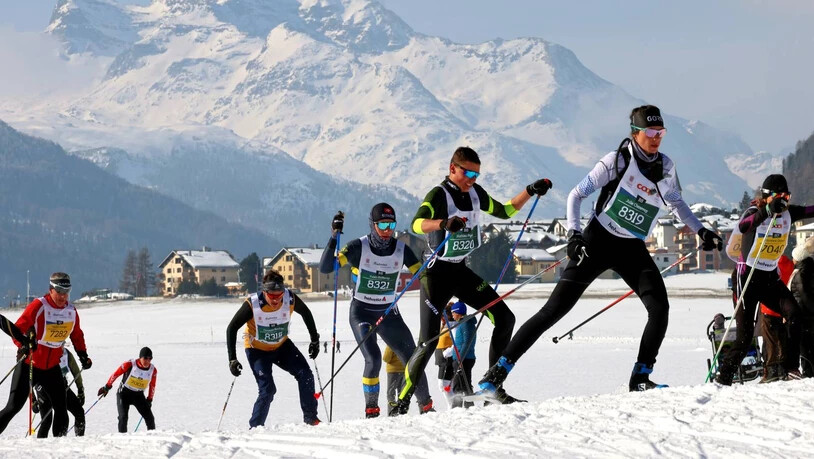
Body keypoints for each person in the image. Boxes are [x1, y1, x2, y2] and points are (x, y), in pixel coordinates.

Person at [478, 105, 723, 397]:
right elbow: (576, 194)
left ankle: (641, 377)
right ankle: (497, 373)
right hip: (598, 241)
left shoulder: (667, 167)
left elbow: (677, 203)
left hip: (631, 247)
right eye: (650, 132)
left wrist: (701, 230)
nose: (656, 138)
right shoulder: (616, 161)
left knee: (659, 308)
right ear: (635, 132)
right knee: (554, 310)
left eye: (661, 132)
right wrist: (573, 234)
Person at [396, 146, 552, 410]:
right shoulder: (439, 195)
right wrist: (443, 223)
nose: (472, 179)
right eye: (467, 173)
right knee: (428, 341)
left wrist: (530, 190)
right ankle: (401, 403)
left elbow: (505, 211)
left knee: (505, 318)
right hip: (435, 275)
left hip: (459, 270)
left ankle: (493, 387)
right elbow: (416, 223)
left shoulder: (476, 193)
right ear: (452, 168)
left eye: (476, 174)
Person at [319, 203, 434, 418]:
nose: (387, 230)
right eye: (382, 225)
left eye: (391, 225)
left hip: (389, 313)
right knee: (373, 358)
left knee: (412, 358)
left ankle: (426, 407)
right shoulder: (357, 247)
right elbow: (326, 268)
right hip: (362, 312)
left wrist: (429, 267)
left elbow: (423, 276)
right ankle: (371, 410)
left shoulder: (401, 250)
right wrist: (334, 236)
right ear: (372, 224)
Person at [715, 174, 814, 385]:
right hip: (747, 278)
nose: (783, 200)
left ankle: (790, 367)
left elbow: (810, 211)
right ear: (767, 196)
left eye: (787, 196)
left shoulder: (788, 213)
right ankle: (723, 378)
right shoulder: (754, 212)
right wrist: (767, 211)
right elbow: (744, 227)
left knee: (795, 315)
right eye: (779, 196)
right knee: (745, 337)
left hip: (769, 277)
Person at [0, 272, 92, 437]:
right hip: (30, 365)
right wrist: (23, 345)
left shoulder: (71, 311)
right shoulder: (39, 306)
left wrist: (83, 355)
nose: (63, 296)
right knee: (13, 407)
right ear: (51, 290)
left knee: (61, 411)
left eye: (67, 292)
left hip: (51, 369)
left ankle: (57, 447)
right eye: (59, 292)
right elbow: (18, 330)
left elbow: (77, 335)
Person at [226, 270, 321, 427]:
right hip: (257, 350)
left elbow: (306, 313)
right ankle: (255, 427)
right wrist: (232, 359)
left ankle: (311, 419)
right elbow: (231, 328)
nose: (276, 299)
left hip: (281, 346)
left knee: (306, 375)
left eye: (279, 295)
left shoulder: (289, 298)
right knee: (268, 390)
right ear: (265, 292)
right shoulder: (253, 304)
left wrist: (314, 340)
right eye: (272, 296)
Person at [98, 347, 157, 432]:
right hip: (124, 393)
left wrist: (149, 399)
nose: (147, 361)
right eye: (145, 358)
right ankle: (122, 438)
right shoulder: (130, 364)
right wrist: (107, 387)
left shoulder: (153, 370)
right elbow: (115, 374)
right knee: (123, 417)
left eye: (150, 358)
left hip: (138, 395)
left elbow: (152, 385)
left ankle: (153, 437)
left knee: (150, 418)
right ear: (140, 357)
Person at [757, 254, 796, 383]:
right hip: (784, 309)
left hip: (768, 308)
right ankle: (781, 369)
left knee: (769, 342)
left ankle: (770, 371)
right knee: (782, 340)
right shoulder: (789, 264)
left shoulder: (768, 264)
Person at [38, 348, 86, 436]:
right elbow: (31, 375)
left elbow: (76, 372)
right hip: (43, 388)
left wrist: (80, 390)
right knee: (47, 421)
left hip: (61, 386)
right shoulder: (43, 350)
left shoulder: (66, 354)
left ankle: (77, 440)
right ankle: (41, 443)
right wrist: (33, 399)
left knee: (78, 412)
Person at [790, 237, 814, 377]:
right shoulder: (808, 269)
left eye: (793, 257)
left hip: (803, 312)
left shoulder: (800, 273)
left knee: (804, 344)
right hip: (808, 313)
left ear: (798, 259)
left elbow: (804, 295)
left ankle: (808, 371)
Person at [448, 301, 476, 408]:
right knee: (463, 384)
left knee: (459, 385)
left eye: (453, 313)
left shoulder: (466, 323)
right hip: (462, 358)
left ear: (458, 312)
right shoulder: (463, 323)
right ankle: (467, 406)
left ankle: (459, 407)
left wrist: (460, 359)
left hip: (464, 359)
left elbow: (467, 342)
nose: (452, 315)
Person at [435, 303, 455, 408]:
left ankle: (451, 406)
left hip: (447, 360)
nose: (442, 318)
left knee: (443, 385)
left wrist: (447, 352)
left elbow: (457, 343)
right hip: (442, 360)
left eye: (444, 316)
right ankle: (452, 406)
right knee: (446, 385)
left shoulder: (453, 326)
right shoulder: (445, 326)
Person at [381, 346, 405, 416]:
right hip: (403, 369)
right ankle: (402, 411)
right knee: (402, 392)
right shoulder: (405, 342)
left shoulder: (390, 344)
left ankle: (392, 412)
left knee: (391, 393)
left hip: (393, 370)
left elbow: (386, 358)